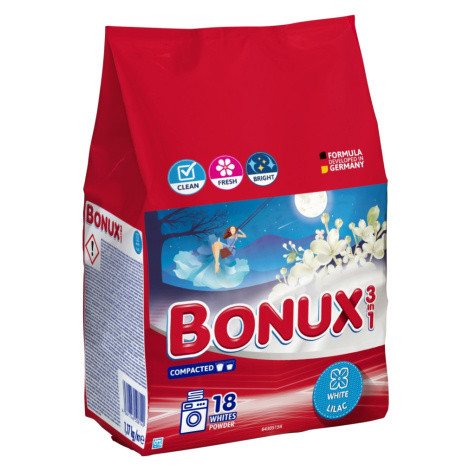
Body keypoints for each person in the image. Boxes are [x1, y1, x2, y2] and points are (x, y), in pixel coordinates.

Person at [173, 226, 249, 289]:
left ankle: (216, 261)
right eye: (231, 229)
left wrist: (239, 231)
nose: (232, 230)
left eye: (233, 229)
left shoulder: (236, 235)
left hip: (231, 249)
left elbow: (244, 236)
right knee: (215, 244)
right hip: (226, 247)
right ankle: (216, 262)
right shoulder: (228, 235)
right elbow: (224, 239)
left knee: (216, 244)